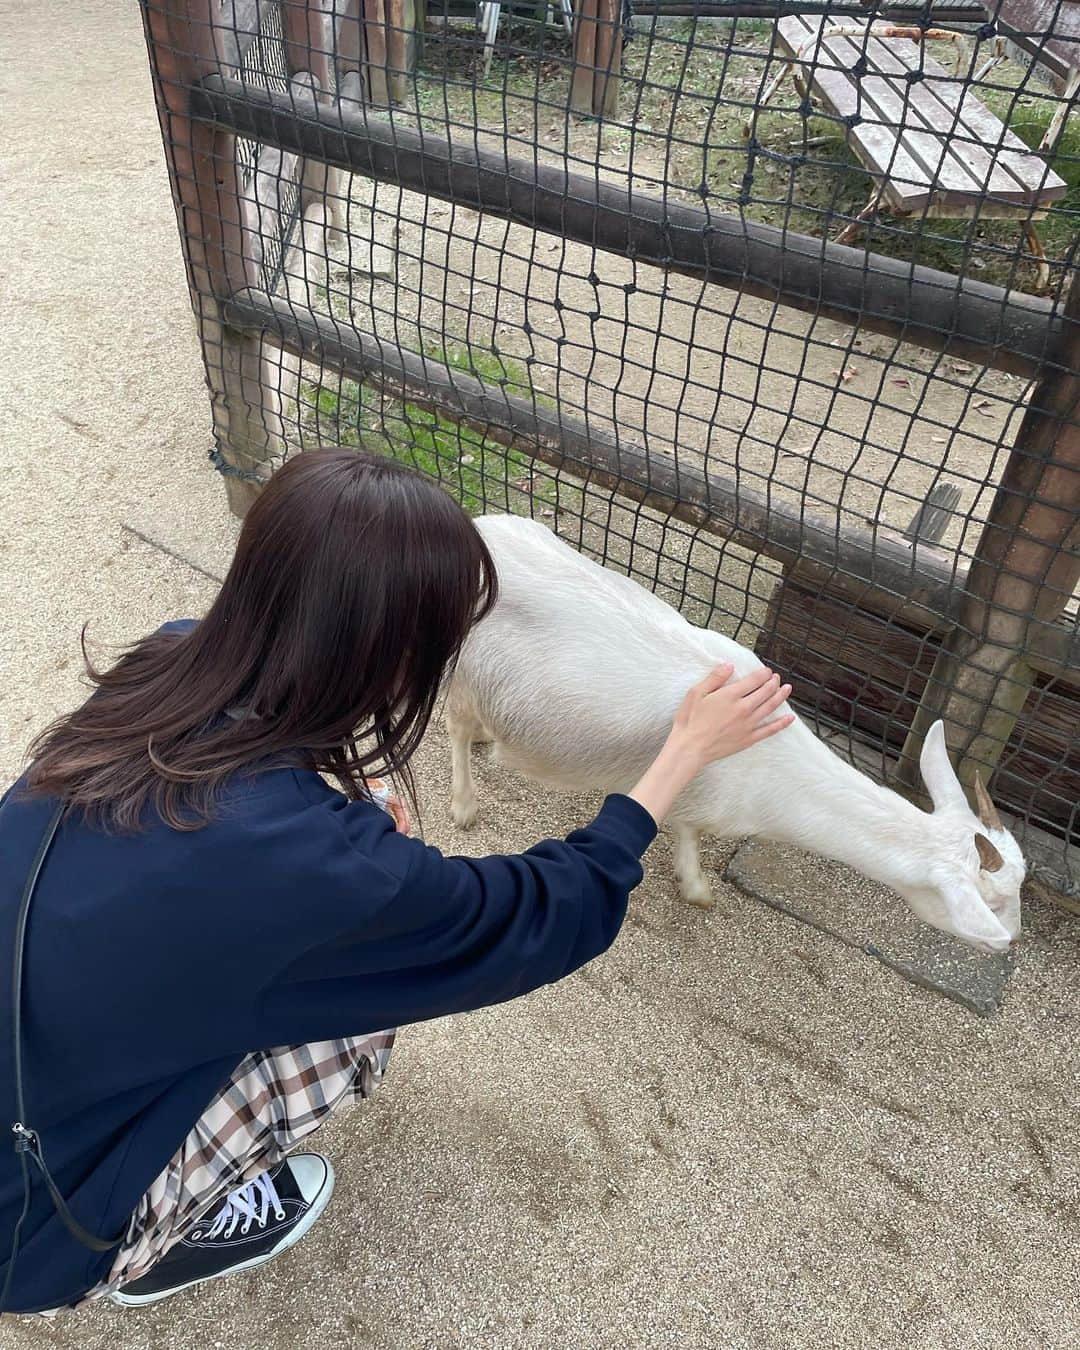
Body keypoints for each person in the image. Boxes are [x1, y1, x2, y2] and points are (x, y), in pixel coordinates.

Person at [0, 448, 794, 1315]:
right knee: (366, 1018)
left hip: (40, 1056)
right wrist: (680, 752)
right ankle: (150, 1246)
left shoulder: (165, 661)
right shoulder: (319, 865)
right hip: (33, 1229)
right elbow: (526, 919)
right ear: (392, 655)